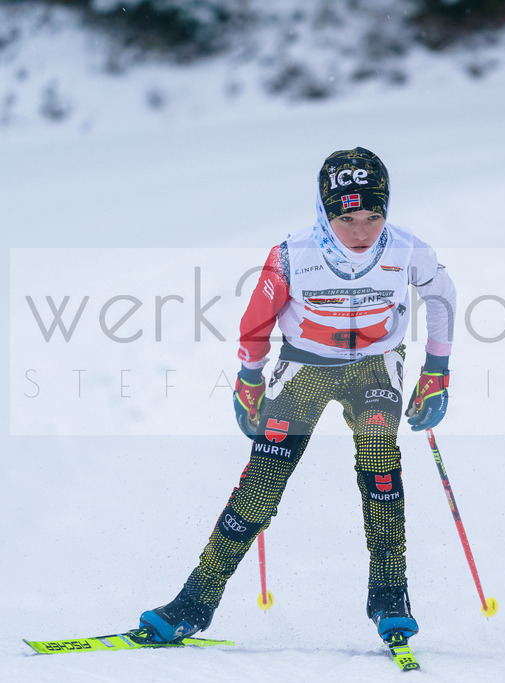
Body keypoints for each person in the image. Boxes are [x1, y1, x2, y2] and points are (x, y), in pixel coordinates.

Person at [139, 147, 456, 645]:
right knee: (262, 484)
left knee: (379, 457)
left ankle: (391, 595)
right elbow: (257, 320)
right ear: (324, 211)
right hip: (304, 368)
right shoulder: (293, 253)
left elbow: (441, 297)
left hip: (375, 365)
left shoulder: (407, 250)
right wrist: (248, 379)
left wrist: (437, 370)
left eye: (374, 216)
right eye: (346, 217)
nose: (361, 232)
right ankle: (195, 601)